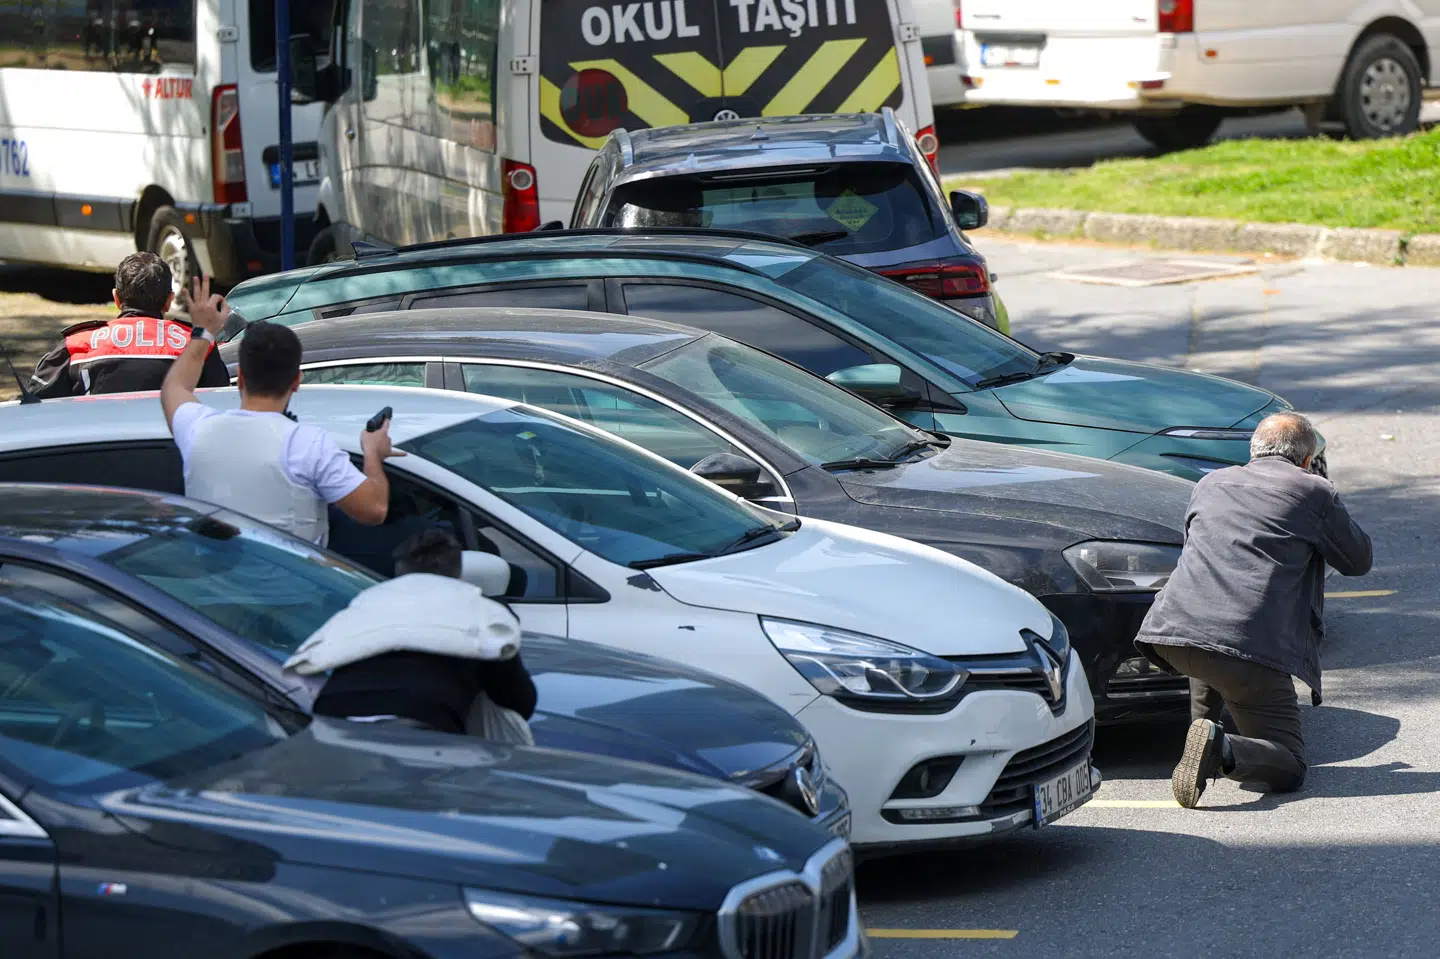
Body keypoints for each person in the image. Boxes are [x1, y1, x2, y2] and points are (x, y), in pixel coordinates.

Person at [1135, 412, 1372, 808]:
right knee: (1290, 765)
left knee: (1210, 651)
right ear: (1305, 459)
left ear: (1253, 450)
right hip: (1245, 644)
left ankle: (1203, 735)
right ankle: (1221, 749)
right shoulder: (1313, 491)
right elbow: (1358, 559)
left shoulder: (1210, 483)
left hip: (1172, 629)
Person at [160, 276, 393, 545]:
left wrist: (204, 331)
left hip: (210, 574)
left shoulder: (198, 430)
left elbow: (174, 386)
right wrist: (373, 453)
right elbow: (375, 509)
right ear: (296, 381)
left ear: (241, 378)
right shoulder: (308, 446)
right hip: (293, 575)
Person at [291, 529, 538, 736]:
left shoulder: (363, 606)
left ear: (398, 570)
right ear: (457, 572)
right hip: (424, 724)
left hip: (333, 717)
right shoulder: (479, 614)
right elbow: (520, 702)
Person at [29, 251, 231, 397]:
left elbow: (33, 403)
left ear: (116, 298)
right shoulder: (198, 346)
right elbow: (220, 404)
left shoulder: (77, 345)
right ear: (169, 301)